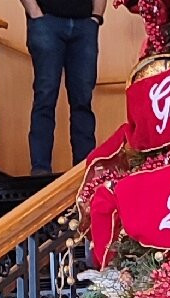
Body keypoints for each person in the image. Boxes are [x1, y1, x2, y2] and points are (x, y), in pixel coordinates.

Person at [20, 0, 104, 175]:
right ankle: (40, 170)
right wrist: (35, 12)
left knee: (83, 100)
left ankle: (84, 170)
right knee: (45, 96)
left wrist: (96, 17)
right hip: (47, 21)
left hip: (84, 24)